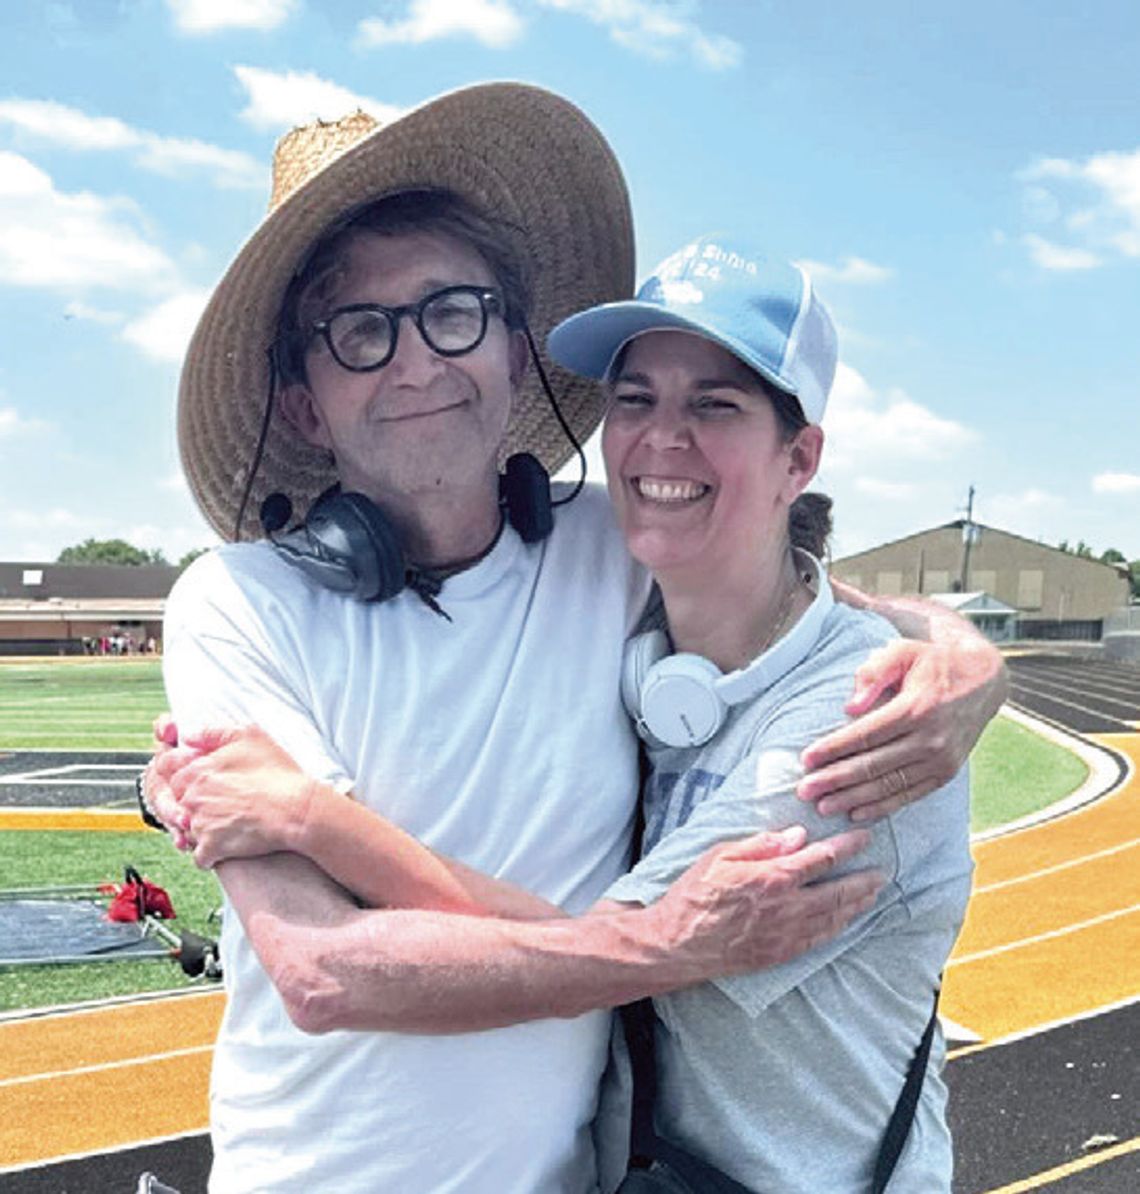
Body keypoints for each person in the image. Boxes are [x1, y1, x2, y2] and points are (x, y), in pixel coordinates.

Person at [149, 83, 1003, 1193]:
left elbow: (797, 580)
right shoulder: (235, 602)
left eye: (450, 312)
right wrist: (666, 944)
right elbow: (317, 968)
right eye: (359, 333)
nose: (414, 364)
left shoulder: (620, 546)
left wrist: (968, 659)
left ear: (513, 350)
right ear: (304, 404)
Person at [543, 237, 972, 1190]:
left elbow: (582, 959)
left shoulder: (866, 720)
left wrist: (308, 819)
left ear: (799, 458)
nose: (663, 437)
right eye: (635, 399)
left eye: (715, 404)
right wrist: (973, 654)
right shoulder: (631, 627)